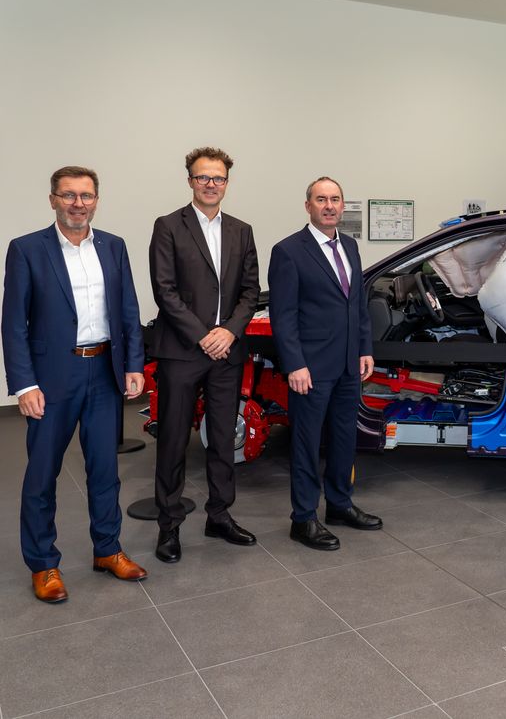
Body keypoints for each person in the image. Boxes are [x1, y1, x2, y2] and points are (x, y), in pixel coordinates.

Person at [2, 166, 147, 603]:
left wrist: (134, 364)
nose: (78, 203)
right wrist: (24, 384)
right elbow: (13, 324)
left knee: (104, 470)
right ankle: (43, 563)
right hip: (52, 378)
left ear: (96, 200)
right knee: (42, 474)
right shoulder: (27, 249)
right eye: (68, 195)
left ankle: (108, 549)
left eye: (86, 195)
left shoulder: (113, 246)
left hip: (104, 372)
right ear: (53, 200)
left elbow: (128, 310)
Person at [149, 147, 260, 563]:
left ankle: (220, 515)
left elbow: (250, 291)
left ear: (227, 182)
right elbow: (165, 291)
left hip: (227, 352)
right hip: (182, 351)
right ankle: (169, 526)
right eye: (203, 177)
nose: (211, 184)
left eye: (218, 178)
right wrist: (203, 336)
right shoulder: (167, 226)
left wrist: (228, 331)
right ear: (190, 181)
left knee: (222, 439)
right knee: (174, 440)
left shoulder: (242, 230)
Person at [268, 177, 380, 550]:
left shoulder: (350, 245)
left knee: (345, 438)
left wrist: (364, 348)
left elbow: (357, 304)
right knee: (306, 443)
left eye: (335, 199)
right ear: (308, 206)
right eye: (321, 199)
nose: (329, 206)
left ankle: (339, 504)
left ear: (342, 205)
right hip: (310, 369)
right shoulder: (288, 251)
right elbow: (283, 315)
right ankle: (303, 519)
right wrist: (294, 364)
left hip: (348, 364)